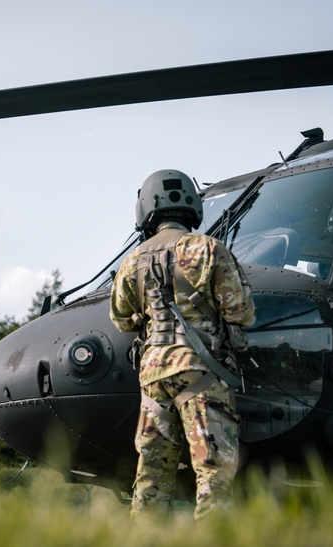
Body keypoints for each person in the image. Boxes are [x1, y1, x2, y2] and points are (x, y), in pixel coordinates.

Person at [110, 169, 256, 520]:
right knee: (212, 470)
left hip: (153, 377)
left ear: (146, 208)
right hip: (202, 372)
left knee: (151, 475)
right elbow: (242, 312)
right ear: (191, 204)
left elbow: (121, 319)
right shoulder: (208, 249)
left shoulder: (131, 262)